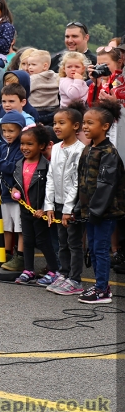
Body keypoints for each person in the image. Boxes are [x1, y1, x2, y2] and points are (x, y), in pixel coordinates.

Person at [74, 101, 124, 304]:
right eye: (84, 122)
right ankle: (99, 285)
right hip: (90, 211)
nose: (85, 126)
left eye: (90, 123)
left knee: (100, 249)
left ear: (105, 126)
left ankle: (102, 289)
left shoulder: (109, 154)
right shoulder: (88, 150)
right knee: (92, 248)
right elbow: (82, 181)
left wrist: (94, 211)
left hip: (104, 212)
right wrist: (78, 207)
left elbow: (106, 186)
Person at [43, 104, 87, 294]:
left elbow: (77, 183)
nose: (57, 127)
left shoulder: (80, 150)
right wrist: (49, 204)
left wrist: (68, 209)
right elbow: (51, 176)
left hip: (73, 206)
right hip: (58, 203)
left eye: (62, 123)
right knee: (62, 241)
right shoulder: (57, 148)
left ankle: (75, 280)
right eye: (54, 123)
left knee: (74, 243)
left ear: (76, 126)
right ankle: (64, 273)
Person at [9, 126, 59, 284]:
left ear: (42, 146)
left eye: (30, 144)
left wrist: (44, 209)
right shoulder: (19, 164)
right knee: (27, 241)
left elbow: (51, 190)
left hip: (40, 212)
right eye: (22, 144)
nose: (24, 147)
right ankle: (28, 269)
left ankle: (54, 270)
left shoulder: (46, 166)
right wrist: (15, 190)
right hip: (25, 210)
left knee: (43, 241)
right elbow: (18, 183)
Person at [0, 110, 27, 272]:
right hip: (3, 195)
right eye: (4, 131)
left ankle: (21, 256)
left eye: (11, 131)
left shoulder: (22, 148)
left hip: (18, 195)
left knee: (20, 228)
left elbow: (11, 168)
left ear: (21, 130)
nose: (7, 134)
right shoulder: (1, 148)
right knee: (5, 226)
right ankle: (5, 254)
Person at [24, 49, 59, 124]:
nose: (29, 67)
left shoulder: (33, 79)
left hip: (36, 111)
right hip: (53, 111)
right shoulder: (56, 76)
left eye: (33, 65)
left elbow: (24, 93)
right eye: (29, 64)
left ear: (45, 66)